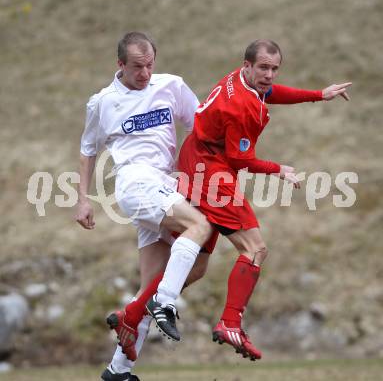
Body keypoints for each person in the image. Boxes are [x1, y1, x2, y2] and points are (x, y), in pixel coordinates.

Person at [122, 39, 352, 362]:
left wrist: (318, 94)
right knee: (255, 249)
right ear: (247, 66)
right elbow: (240, 158)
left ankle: (131, 315)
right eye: (263, 68)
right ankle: (231, 323)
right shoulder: (241, 107)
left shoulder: (243, 80)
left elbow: (271, 93)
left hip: (196, 161)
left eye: (274, 69)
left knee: (197, 265)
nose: (269, 75)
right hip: (212, 172)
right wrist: (278, 170)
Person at [75, 32, 214, 381]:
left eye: (150, 64)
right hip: (136, 184)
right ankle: (164, 302)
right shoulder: (103, 102)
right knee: (200, 228)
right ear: (120, 64)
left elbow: (201, 127)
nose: (146, 73)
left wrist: (198, 172)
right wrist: (82, 199)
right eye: (137, 67)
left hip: (164, 184)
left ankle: (118, 370)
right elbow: (88, 149)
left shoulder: (171, 86)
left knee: (174, 276)